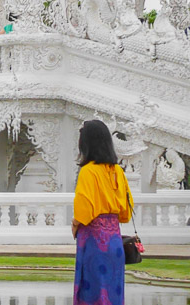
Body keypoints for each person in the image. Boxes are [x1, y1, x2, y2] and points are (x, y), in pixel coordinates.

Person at [72, 119, 132, 305]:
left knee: (93, 293)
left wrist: (75, 225)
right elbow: (126, 213)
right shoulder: (118, 172)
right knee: (112, 295)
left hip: (94, 240)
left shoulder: (88, 171)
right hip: (114, 240)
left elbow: (84, 209)